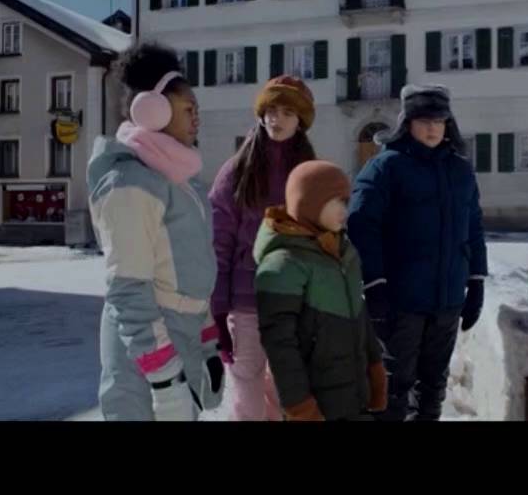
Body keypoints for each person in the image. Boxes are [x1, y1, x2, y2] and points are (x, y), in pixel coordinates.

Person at [88, 42, 225, 421]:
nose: (197, 119)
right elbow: (128, 288)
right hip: (145, 355)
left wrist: (208, 342)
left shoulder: (181, 181)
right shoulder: (130, 182)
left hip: (180, 339)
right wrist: (164, 378)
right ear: (153, 110)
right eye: (188, 109)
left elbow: (192, 270)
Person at [347, 84, 488, 422]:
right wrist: (374, 284)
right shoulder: (385, 168)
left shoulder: (460, 169)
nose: (432, 128)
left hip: (447, 299)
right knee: (394, 386)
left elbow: (473, 226)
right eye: (424, 120)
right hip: (401, 302)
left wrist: (476, 280)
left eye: (439, 120)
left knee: (433, 385)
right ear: (407, 123)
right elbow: (361, 226)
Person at [209, 75, 317, 421]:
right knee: (248, 396)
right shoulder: (237, 170)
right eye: (271, 110)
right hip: (246, 303)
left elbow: (323, 244)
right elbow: (219, 243)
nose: (276, 119)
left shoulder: (311, 174)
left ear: (300, 121)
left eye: (287, 112)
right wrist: (217, 309)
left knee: (283, 393)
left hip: (294, 303)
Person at [254, 160, 387, 421]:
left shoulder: (343, 251)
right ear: (310, 203)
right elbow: (280, 345)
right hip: (316, 403)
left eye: (346, 201)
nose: (344, 210)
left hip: (354, 395)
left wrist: (375, 368)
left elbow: (359, 314)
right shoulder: (283, 264)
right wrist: (299, 405)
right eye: (335, 202)